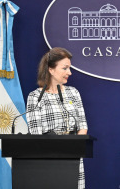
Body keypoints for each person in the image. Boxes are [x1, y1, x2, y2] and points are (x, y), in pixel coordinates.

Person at [26, 47, 88, 189]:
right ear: (51, 69)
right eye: (65, 68)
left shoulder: (74, 93)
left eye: (69, 68)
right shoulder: (35, 97)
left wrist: (73, 150)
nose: (69, 72)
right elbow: (36, 134)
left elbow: (83, 126)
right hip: (47, 161)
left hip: (73, 158)